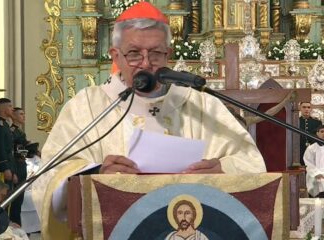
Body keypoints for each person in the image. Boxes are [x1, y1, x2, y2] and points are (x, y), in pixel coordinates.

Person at [33, 2, 266, 239]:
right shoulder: (87, 107)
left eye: (155, 53)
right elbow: (51, 177)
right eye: (134, 53)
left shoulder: (202, 105)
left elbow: (253, 164)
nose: (145, 63)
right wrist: (96, 173)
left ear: (169, 55)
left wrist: (225, 171)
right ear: (116, 56)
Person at [9, 107, 30, 226]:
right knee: (15, 199)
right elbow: (12, 150)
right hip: (16, 164)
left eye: (24, 114)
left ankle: (18, 224)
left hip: (22, 164)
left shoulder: (21, 132)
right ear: (14, 116)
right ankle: (14, 223)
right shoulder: (12, 131)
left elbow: (22, 148)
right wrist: (13, 171)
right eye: (21, 114)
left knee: (20, 197)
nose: (24, 116)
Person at [304, 125, 324, 197]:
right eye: (322, 131)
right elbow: (308, 163)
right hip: (316, 177)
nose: (323, 134)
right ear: (317, 133)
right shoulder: (311, 148)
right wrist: (316, 174)